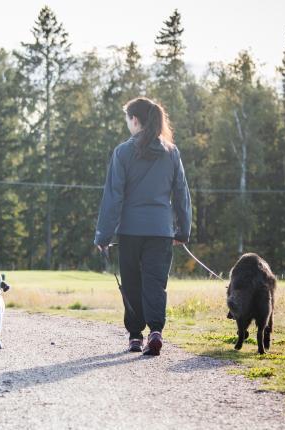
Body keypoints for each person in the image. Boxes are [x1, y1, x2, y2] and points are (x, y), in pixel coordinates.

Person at [94, 97, 191, 356]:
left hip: (130, 232)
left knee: (132, 283)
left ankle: (135, 336)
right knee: (155, 283)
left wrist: (103, 235)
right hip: (161, 231)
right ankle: (156, 332)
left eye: (127, 119)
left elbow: (113, 196)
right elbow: (181, 193)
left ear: (134, 119)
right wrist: (184, 230)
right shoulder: (172, 152)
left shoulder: (123, 152)